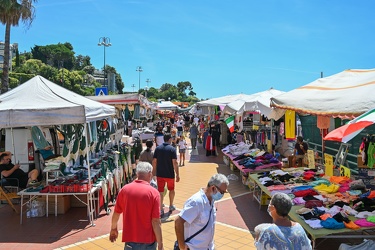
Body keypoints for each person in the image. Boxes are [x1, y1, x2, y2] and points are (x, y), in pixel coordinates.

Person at [109, 162, 164, 250]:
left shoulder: (125, 190)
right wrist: (161, 245)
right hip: (148, 241)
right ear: (150, 174)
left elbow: (116, 213)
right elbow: (156, 221)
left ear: (137, 174)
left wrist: (113, 229)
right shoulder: (154, 193)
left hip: (130, 240)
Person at [175, 173, 229, 250]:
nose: (222, 195)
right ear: (213, 188)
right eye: (222, 192)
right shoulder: (196, 202)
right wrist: (182, 246)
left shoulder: (211, 201)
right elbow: (178, 221)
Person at [152, 133, 180, 219]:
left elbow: (154, 161)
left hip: (160, 174)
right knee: (171, 189)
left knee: (160, 191)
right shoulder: (172, 149)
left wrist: (154, 172)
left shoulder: (157, 148)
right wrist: (178, 174)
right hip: (170, 174)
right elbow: (174, 162)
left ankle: (160, 209)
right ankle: (171, 205)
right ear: (170, 139)